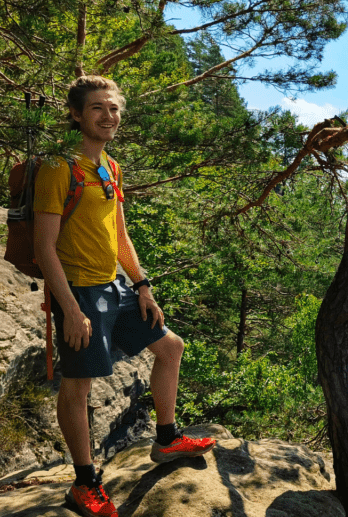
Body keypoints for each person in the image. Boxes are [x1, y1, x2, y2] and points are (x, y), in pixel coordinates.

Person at [34, 75, 215, 517]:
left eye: (113, 108)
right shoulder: (60, 168)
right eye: (97, 108)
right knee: (79, 385)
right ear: (77, 114)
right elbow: (43, 247)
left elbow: (119, 235)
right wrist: (71, 310)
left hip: (114, 286)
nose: (108, 116)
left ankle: (167, 440)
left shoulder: (110, 167)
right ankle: (84, 483)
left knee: (170, 346)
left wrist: (142, 285)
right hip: (79, 290)